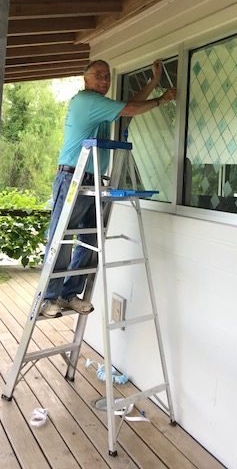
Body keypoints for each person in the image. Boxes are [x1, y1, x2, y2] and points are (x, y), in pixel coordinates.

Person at [41, 58, 176, 317]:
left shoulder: (101, 105)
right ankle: (49, 298)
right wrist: (162, 99)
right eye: (98, 75)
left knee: (90, 239)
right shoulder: (86, 101)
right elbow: (131, 108)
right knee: (62, 239)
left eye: (107, 76)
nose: (104, 80)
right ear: (86, 78)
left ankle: (70, 294)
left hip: (92, 181)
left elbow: (129, 105)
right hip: (72, 180)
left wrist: (154, 82)